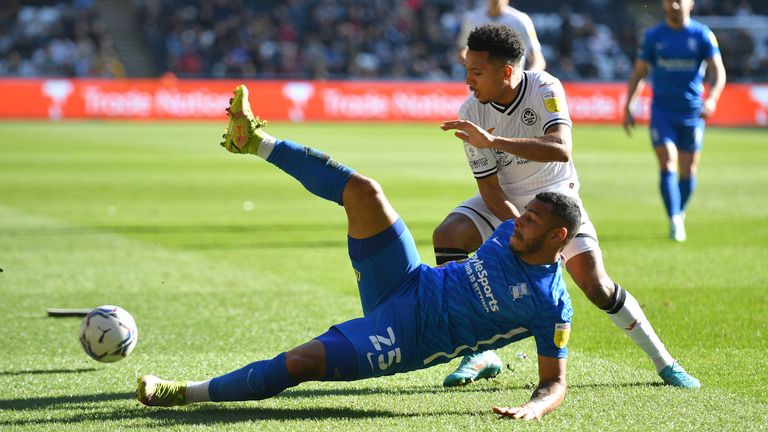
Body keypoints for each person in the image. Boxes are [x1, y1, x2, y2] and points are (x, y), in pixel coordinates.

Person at [137, 84, 583, 420]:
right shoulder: (510, 230)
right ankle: (252, 140)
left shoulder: (551, 307)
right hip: (408, 279)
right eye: (523, 216)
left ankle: (184, 392)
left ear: (556, 236)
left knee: (301, 361)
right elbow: (495, 200)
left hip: (406, 337)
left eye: (532, 222)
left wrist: (536, 408)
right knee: (365, 191)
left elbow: (553, 382)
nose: (518, 222)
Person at [433, 23, 701, 388]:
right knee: (449, 235)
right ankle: (478, 351)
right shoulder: (471, 111)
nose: (467, 80)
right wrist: (516, 229)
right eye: (467, 70)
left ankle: (665, 362)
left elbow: (561, 147)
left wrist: (494, 140)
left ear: (506, 72)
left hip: (557, 200)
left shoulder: (545, 87)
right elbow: (490, 188)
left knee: (595, 285)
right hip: (506, 203)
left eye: (476, 72)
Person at [623, 0, 726, 241]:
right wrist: (629, 105)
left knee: (688, 170)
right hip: (662, 112)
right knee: (667, 162)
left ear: (691, 3)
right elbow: (639, 73)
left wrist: (711, 99)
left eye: (679, 1)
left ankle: (678, 213)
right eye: (670, 1)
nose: (674, 5)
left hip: (692, 113)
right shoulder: (653, 36)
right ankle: (674, 220)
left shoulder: (702, 35)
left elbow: (718, 72)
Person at [456, 0, 546, 71]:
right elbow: (462, 51)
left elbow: (538, 59)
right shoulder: (471, 19)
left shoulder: (521, 20)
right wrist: (478, 67)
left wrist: (528, 78)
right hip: (479, 88)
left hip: (512, 88)